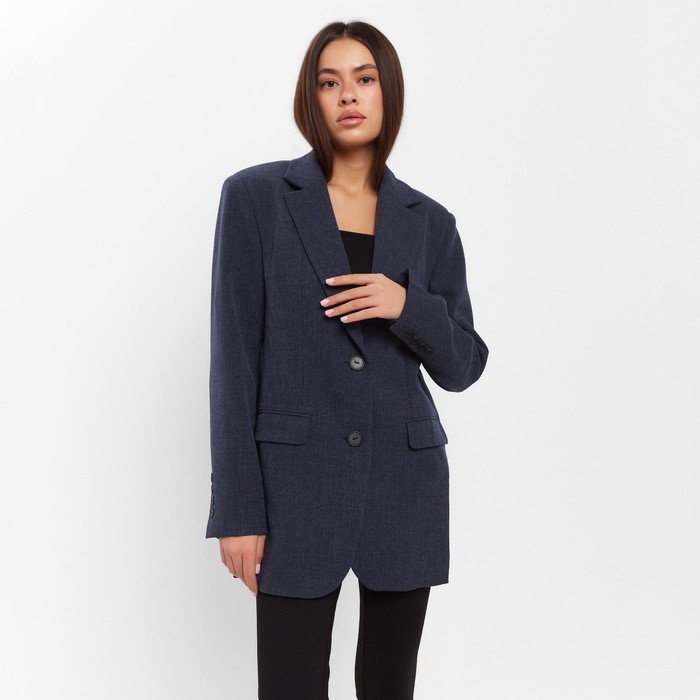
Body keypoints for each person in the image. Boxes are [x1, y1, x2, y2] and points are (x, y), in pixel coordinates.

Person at [207, 20, 488, 700]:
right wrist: (238, 510)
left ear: (389, 92)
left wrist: (406, 304)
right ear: (311, 98)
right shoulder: (256, 199)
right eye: (328, 82)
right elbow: (234, 358)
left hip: (405, 484)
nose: (348, 95)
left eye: (364, 78)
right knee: (290, 687)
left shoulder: (431, 222)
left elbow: (463, 364)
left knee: (390, 687)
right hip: (294, 488)